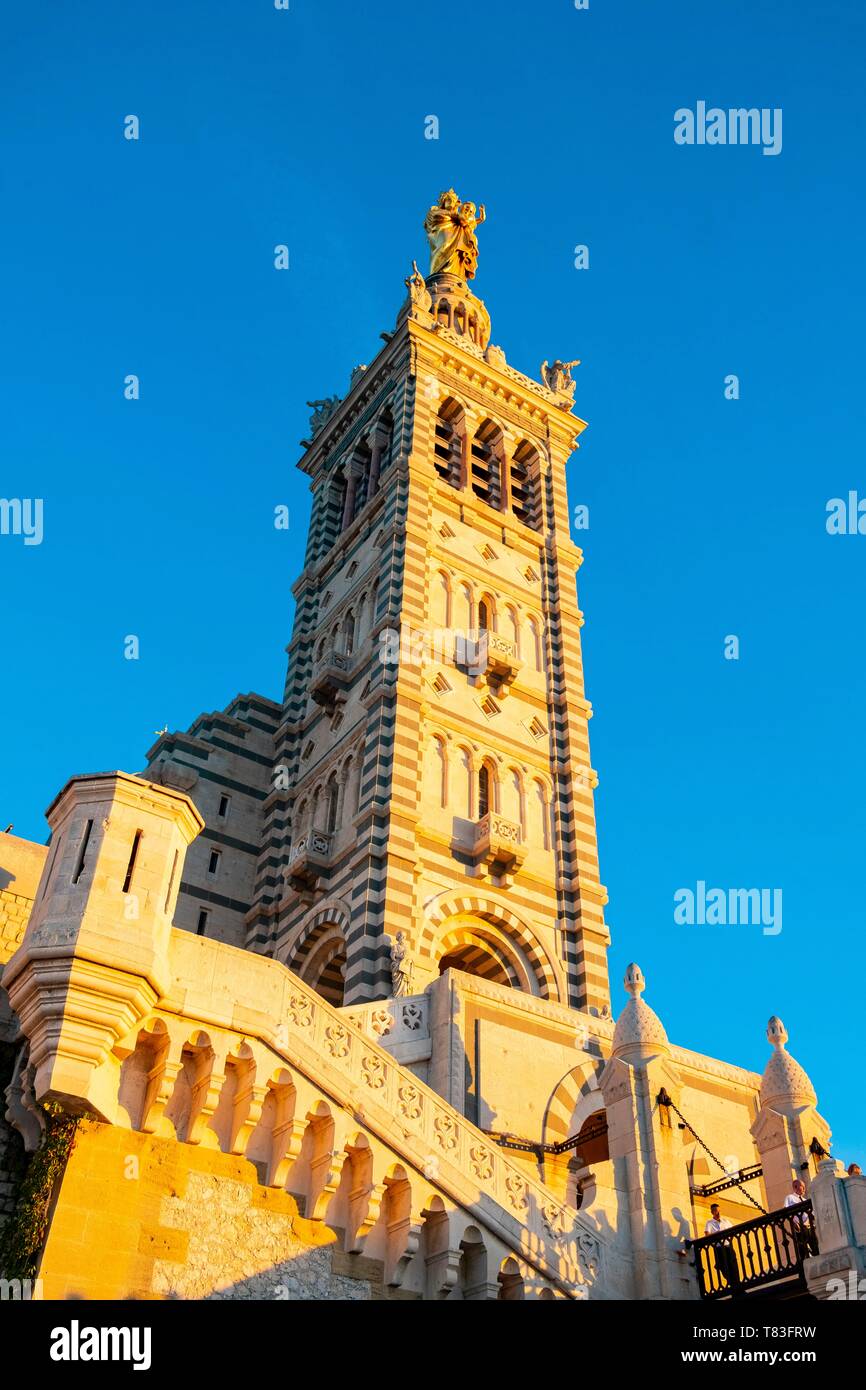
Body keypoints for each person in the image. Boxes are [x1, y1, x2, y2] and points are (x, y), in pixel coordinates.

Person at [704, 1203, 738, 1290]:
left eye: (719, 1210)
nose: (718, 1212)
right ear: (712, 1212)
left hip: (727, 1246)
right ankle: (731, 1282)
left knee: (732, 1264)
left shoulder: (726, 1221)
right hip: (719, 1247)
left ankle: (736, 1284)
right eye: (715, 1210)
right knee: (723, 1265)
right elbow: (707, 1234)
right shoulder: (709, 1223)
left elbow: (733, 1231)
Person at [784, 1179, 818, 1257]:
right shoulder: (790, 1198)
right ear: (796, 1187)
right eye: (803, 1187)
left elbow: (812, 1214)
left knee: (816, 1249)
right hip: (800, 1227)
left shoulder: (805, 1200)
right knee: (802, 1252)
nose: (804, 1189)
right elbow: (786, 1211)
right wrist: (794, 1223)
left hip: (810, 1228)